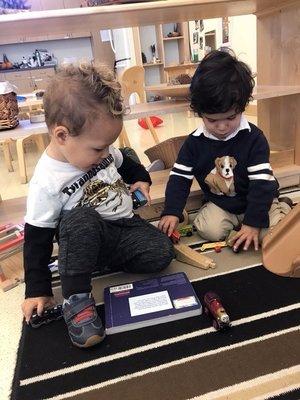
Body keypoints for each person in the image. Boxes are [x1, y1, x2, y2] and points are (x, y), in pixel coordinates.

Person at [22, 64, 174, 348]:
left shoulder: (99, 146)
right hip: (86, 232)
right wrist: (37, 290)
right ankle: (77, 300)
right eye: (98, 149)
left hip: (124, 227)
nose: (105, 154)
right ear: (62, 136)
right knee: (80, 219)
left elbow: (126, 161)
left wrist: (141, 180)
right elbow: (36, 240)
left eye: (108, 146)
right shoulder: (47, 181)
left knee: (162, 253)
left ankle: (93, 262)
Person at [159, 50, 291, 252]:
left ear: (243, 106)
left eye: (231, 118)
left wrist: (253, 224)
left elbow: (261, 184)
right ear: (199, 113)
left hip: (259, 200)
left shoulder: (254, 139)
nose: (222, 127)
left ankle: (280, 207)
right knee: (208, 230)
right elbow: (179, 178)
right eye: (212, 120)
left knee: (274, 234)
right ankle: (239, 229)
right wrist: (172, 212)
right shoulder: (193, 143)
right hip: (223, 204)